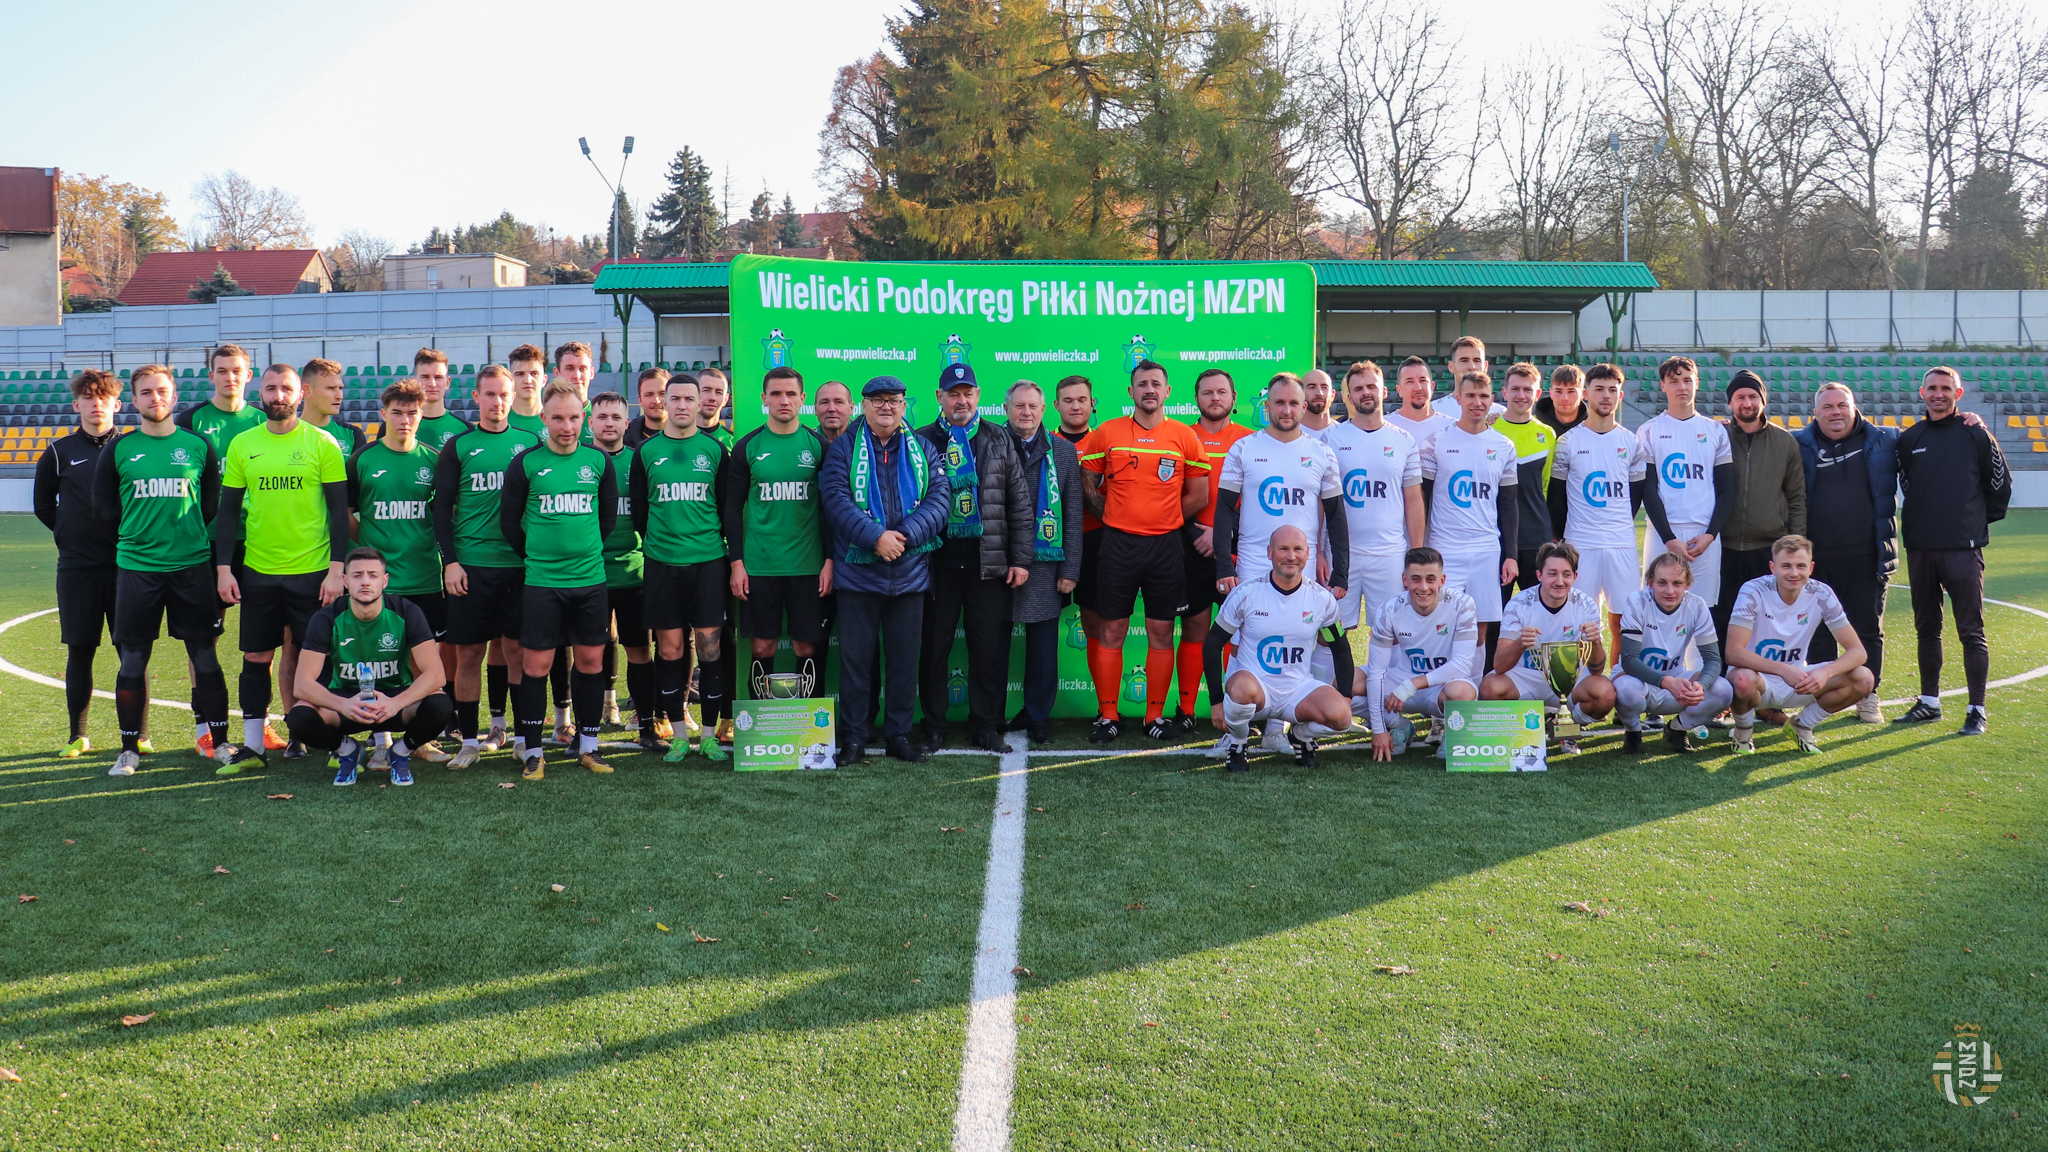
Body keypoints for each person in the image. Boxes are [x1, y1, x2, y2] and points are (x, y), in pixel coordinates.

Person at [93, 364, 232, 777]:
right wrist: (138, 540)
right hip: (138, 570)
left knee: (205, 657)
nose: (155, 399)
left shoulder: (198, 445)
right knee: (132, 661)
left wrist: (182, 537)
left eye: (162, 391)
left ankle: (221, 743)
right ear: (134, 401)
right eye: (146, 392)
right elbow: (104, 510)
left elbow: (210, 504)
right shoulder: (118, 449)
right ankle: (129, 749)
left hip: (191, 566)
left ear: (174, 396)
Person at [213, 363, 350, 776]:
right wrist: (224, 569)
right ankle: (254, 747)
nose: (278, 396)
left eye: (285, 388)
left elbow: (339, 512)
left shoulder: (322, 443)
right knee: (256, 656)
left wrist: (336, 570)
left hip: (313, 572)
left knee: (320, 658)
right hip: (259, 571)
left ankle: (334, 741)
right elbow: (227, 512)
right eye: (270, 388)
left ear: (300, 393)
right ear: (261, 393)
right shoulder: (243, 443)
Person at [819, 375, 951, 765]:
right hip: (857, 575)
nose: (886, 407)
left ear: (904, 405)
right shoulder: (843, 449)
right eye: (877, 400)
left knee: (903, 663)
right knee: (856, 664)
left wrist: (903, 537)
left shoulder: (923, 448)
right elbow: (836, 501)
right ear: (863, 406)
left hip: (909, 575)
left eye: (893, 400)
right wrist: (876, 538)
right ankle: (854, 738)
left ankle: (898, 735)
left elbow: (940, 500)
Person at [1078, 360, 1210, 743]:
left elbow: (1199, 495)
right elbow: (1087, 480)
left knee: (1162, 631)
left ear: (1167, 392)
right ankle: (1108, 715)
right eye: (1141, 384)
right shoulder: (1107, 432)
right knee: (1111, 629)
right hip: (1117, 544)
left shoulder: (1185, 436)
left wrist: (1164, 519)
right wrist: (1112, 515)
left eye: (1156, 383)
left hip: (1166, 546)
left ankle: (1155, 716)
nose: (1149, 389)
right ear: (1130, 392)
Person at [1214, 373, 1348, 749]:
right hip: (1252, 563)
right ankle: (1234, 732)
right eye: (1279, 403)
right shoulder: (1244, 448)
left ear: (1304, 407)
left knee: (1297, 639)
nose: (1286, 410)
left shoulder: (1321, 452)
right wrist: (1224, 564)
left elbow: (1336, 515)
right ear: (1267, 406)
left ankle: (1277, 729)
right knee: (1239, 644)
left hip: (1298, 563)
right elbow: (1224, 510)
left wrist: (1341, 570)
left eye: (1293, 403)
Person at [500, 381, 619, 779]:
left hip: (590, 580)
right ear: (544, 418)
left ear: (584, 418)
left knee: (591, 662)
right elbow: (510, 524)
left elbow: (606, 521)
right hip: (542, 582)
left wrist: (582, 551)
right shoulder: (526, 464)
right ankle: (534, 753)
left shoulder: (599, 462)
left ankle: (588, 747)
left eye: (573, 418)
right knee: (536, 665)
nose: (567, 427)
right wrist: (540, 556)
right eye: (558, 419)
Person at [913, 362, 1031, 752]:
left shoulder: (999, 438)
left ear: (978, 396)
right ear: (940, 398)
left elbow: (1019, 504)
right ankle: (934, 726)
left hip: (988, 565)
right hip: (936, 566)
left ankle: (985, 725)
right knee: (934, 649)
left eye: (968, 393)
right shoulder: (921, 439)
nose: (961, 401)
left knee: (988, 650)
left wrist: (1020, 560)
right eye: (953, 394)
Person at [1893, 365, 2011, 736]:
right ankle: (1929, 702)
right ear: (1922, 393)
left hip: (1963, 547)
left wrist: (1971, 522)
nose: (1938, 393)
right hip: (1922, 547)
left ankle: (1976, 710)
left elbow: (2000, 484)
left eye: (1946, 388)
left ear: (1958, 393)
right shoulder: (1910, 438)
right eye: (1932, 388)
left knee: (1971, 630)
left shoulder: (1976, 433)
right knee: (1926, 628)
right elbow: (1908, 484)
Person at [433, 365, 541, 764]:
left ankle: (520, 738)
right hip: (472, 567)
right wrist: (451, 562)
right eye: (490, 394)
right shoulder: (459, 446)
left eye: (504, 394)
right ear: (476, 397)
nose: (497, 402)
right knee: (469, 655)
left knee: (517, 653)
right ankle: (469, 742)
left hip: (518, 566)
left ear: (514, 397)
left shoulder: (529, 443)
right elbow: (441, 510)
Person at [178, 342, 279, 753]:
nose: (230, 377)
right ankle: (204, 726)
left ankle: (262, 722)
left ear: (248, 375)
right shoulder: (191, 421)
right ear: (211, 375)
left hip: (257, 543)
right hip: (206, 545)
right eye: (222, 370)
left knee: (263, 640)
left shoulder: (264, 420)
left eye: (237, 370)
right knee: (205, 638)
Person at [286, 547, 453, 787]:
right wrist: (343, 704)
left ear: (384, 581)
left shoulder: (406, 611)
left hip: (394, 699)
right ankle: (347, 750)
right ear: (345, 581)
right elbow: (302, 685)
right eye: (357, 575)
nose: (365, 582)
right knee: (299, 716)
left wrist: (396, 703)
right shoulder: (326, 618)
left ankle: (401, 751)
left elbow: (436, 675)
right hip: (348, 700)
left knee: (440, 705)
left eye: (373, 575)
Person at [632, 372, 733, 763]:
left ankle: (707, 736)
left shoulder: (715, 451)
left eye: (690, 399)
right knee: (671, 650)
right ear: (665, 402)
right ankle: (677, 733)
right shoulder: (645, 452)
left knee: (709, 650)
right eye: (675, 398)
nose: (682, 405)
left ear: (699, 404)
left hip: (707, 563)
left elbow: (725, 509)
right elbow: (640, 512)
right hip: (662, 565)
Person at [1204, 526, 1354, 773]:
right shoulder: (1246, 593)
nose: (1291, 556)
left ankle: (1300, 736)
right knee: (1241, 688)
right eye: (1283, 549)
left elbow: (1340, 648)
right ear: (1269, 553)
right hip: (1256, 687)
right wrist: (1216, 701)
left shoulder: (1321, 599)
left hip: (1297, 690)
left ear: (1307, 554)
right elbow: (1212, 645)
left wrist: (1346, 695)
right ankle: (1238, 743)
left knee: (1342, 717)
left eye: (1297, 549)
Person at [345, 379, 450, 729]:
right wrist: (372, 544)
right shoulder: (362, 459)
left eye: (412, 413)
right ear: (383, 414)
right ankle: (381, 738)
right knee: (380, 663)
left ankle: (419, 737)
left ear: (421, 415)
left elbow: (444, 514)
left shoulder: (434, 460)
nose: (405, 420)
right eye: (397, 412)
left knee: (423, 663)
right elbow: (347, 513)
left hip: (425, 577)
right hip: (380, 582)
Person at [726, 367, 833, 708]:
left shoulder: (819, 446)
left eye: (790, 394)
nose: (783, 400)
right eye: (776, 394)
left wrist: (830, 560)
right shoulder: (747, 446)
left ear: (803, 399)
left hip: (808, 566)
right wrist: (737, 563)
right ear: (764, 399)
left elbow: (831, 510)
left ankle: (809, 723)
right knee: (762, 647)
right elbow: (732, 509)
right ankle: (763, 723)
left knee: (808, 647)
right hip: (760, 566)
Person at [1793, 383, 1897, 723]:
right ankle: (1826, 695)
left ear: (1854, 408)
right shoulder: (1798, 444)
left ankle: (1868, 694)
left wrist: (1967, 419)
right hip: (1815, 558)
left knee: (1867, 629)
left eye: (1841, 405)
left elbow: (1931, 434)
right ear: (1815, 412)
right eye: (1827, 407)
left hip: (1866, 554)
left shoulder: (1884, 440)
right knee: (1817, 631)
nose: (1835, 412)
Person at [36, 369, 123, 758]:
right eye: (88, 397)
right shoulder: (58, 452)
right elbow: (43, 505)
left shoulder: (130, 448)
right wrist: (68, 533)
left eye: (103, 397)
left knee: (131, 652)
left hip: (126, 566)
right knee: (80, 651)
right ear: (76, 405)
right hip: (77, 569)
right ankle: (78, 735)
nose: (96, 403)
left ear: (117, 404)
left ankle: (137, 734)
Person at [1726, 535, 1874, 754]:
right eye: (1786, 566)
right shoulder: (1753, 591)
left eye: (1801, 566)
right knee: (1742, 679)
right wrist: (1783, 670)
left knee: (1863, 678)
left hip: (1798, 681)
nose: (1794, 573)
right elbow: (1733, 653)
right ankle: (1743, 730)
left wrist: (1824, 673)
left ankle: (1802, 725)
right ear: (1772, 567)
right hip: (1757, 681)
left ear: (1811, 568)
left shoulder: (1821, 593)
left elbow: (1858, 652)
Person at [1418, 371, 1518, 676]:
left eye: (1483, 396)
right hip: (1445, 548)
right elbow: (1422, 499)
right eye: (1471, 395)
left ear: (1492, 400)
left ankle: (1469, 693)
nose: (1477, 402)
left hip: (1486, 549)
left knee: (1480, 629)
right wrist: (1420, 549)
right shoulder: (1436, 442)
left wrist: (1510, 555)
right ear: (1458, 399)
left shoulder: (1504, 445)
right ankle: (1439, 696)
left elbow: (1508, 504)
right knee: (1442, 626)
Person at [1547, 363, 1648, 660]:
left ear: (1620, 395)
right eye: (1599, 389)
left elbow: (1635, 495)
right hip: (1581, 543)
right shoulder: (1568, 441)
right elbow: (1557, 497)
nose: (1606, 396)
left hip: (1621, 543)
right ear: (1586, 394)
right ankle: (1580, 682)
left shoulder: (1631, 442)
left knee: (1623, 621)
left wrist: (1616, 523)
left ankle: (1618, 678)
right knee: (1579, 620)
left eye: (1612, 390)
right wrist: (1561, 536)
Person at [1479, 541, 1617, 755]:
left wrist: (1596, 641)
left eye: (1566, 574)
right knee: (1490, 688)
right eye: (1552, 574)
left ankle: (1567, 726)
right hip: (1528, 676)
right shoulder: (1519, 604)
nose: (1559, 581)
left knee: (1605, 693)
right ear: (1539, 575)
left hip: (1569, 679)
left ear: (1575, 577)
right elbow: (1499, 666)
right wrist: (1520, 643)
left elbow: (1597, 670)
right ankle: (1524, 727)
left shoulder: (1586, 605)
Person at [1003, 380, 1082, 745]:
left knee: (1043, 651)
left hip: (1046, 566)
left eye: (1033, 406)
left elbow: (1073, 514)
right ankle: (988, 716)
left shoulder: (1063, 451)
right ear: (1006, 409)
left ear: (1044, 410)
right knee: (993, 647)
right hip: (999, 563)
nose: (1026, 412)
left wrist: (1070, 570)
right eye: (1019, 406)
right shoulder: (990, 443)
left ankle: (1037, 716)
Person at [1321, 361, 1425, 638]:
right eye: (1358, 389)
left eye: (1371, 386)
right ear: (1349, 397)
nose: (1365, 393)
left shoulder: (1403, 440)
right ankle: (1335, 671)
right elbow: (1321, 500)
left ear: (1384, 391)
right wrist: (1319, 549)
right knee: (1331, 633)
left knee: (1393, 632)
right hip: (1341, 553)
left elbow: (1414, 500)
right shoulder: (1331, 438)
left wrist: (1417, 553)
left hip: (1389, 553)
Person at [1182, 369, 1255, 735]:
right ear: (1196, 398)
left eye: (1221, 392)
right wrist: (1200, 533)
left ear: (1233, 397)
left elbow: (1258, 499)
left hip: (1238, 548)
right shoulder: (1182, 436)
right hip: (1191, 543)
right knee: (1194, 628)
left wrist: (1224, 534)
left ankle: (1233, 709)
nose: (1214, 398)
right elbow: (1169, 496)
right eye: (1207, 392)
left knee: (1235, 632)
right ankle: (1185, 710)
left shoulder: (1251, 440)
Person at [1358, 547, 1481, 762]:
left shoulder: (1462, 604)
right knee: (1349, 683)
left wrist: (1411, 686)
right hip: (1402, 680)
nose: (1423, 587)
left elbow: (1462, 665)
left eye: (1430, 579)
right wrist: (1378, 729)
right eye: (1416, 579)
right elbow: (1376, 671)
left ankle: (1452, 732)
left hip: (1442, 686)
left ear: (1442, 580)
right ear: (1405, 580)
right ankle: (1398, 725)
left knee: (1462, 692)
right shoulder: (1389, 609)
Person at [589, 392, 660, 752]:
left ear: (626, 422)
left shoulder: (639, 460)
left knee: (639, 652)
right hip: (590, 575)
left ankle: (646, 727)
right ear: (591, 422)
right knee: (588, 655)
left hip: (634, 573)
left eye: (616, 417)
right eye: (602, 417)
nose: (609, 423)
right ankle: (585, 733)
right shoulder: (579, 460)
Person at [1714, 371, 1806, 644]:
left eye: (1753, 396)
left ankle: (1763, 671)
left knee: (1767, 624)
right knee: (1722, 620)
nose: (1747, 403)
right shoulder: (1716, 436)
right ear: (1730, 403)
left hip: (1768, 549)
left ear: (1763, 401)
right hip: (1722, 547)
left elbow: (1797, 496)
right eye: (1740, 397)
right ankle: (1722, 672)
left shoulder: (1784, 441)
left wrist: (1796, 545)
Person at [1637, 356, 1734, 611]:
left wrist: (1710, 535)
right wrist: (1669, 538)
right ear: (1663, 386)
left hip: (1704, 536)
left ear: (1697, 383)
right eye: (1674, 381)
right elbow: (1649, 489)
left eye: (1687, 380)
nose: (1682, 387)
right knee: (1656, 609)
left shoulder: (1716, 431)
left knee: (1701, 611)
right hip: (1663, 535)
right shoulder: (1648, 431)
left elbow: (1726, 490)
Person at [1612, 552, 1733, 753]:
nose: (1670, 591)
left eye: (1677, 583)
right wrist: (1668, 682)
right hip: (1638, 680)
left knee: (1723, 690)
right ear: (1650, 583)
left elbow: (1713, 659)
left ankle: (1676, 728)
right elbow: (1629, 660)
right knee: (1627, 690)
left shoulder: (1696, 605)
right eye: (1662, 583)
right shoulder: (1637, 601)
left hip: (1675, 680)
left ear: (1687, 585)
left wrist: (1701, 686)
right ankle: (1633, 731)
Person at [1052, 375, 1106, 705]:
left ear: (1092, 404)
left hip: (1095, 541)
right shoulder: (1044, 442)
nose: (1075, 406)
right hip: (1052, 544)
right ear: (1055, 405)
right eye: (1068, 400)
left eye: (1082, 399)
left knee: (1095, 625)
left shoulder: (1106, 441)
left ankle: (1105, 707)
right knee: (1043, 624)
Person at [1492, 362, 1558, 594]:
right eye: (1515, 389)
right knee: (1496, 613)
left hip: (1536, 538)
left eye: (1528, 389)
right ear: (1504, 392)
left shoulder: (1547, 435)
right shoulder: (1489, 430)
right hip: (1497, 538)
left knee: (1539, 610)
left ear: (1538, 394)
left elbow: (1545, 486)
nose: (1521, 395)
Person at [299, 359, 368, 458]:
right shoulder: (286, 433)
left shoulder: (352, 434)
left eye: (340, 388)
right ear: (307, 391)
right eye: (330, 388)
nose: (339, 396)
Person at [1430, 336, 1505, 422]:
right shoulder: (1432, 411)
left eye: (1477, 361)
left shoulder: (1500, 414)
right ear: (1451, 366)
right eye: (1464, 360)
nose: (1472, 367)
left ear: (1486, 366)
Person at [412, 349, 471, 455]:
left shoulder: (466, 429)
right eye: (425, 377)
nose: (432, 384)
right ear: (414, 382)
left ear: (447, 382)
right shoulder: (394, 426)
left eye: (438, 377)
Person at [1384, 356, 1451, 445]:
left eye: (1423, 380)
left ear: (1432, 387)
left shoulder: (1451, 427)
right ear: (1399, 390)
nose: (1418, 388)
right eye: (1410, 382)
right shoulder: (1384, 427)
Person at [506, 343, 549, 437]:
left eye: (534, 374)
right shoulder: (500, 422)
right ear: (510, 380)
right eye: (520, 374)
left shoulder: (557, 421)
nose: (528, 380)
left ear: (544, 380)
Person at [1535, 363, 1587, 436]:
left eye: (1571, 391)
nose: (1564, 398)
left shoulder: (1593, 429)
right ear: (1551, 393)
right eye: (1558, 391)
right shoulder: (1534, 427)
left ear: (1583, 394)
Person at [624, 367, 670, 448]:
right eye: (649, 395)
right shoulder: (624, 440)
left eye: (662, 394)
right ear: (640, 400)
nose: (656, 401)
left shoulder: (690, 435)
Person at [1298, 368, 1337, 437]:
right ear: (1300, 394)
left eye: (1324, 387)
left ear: (1333, 395)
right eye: (1312, 387)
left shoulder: (1345, 435)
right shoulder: (1288, 435)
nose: (1319, 393)